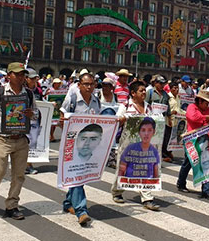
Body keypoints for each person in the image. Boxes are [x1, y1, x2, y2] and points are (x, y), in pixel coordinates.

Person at [0, 62, 36, 220]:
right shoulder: (0, 92)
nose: (20, 77)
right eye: (16, 74)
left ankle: (12, 205)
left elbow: (36, 114)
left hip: (21, 139)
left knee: (19, 175)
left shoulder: (29, 94)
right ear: (9, 75)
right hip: (2, 138)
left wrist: (32, 114)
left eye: (22, 74)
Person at [60, 73, 101, 226]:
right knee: (77, 174)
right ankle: (81, 210)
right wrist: (64, 122)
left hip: (87, 144)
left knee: (79, 175)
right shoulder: (72, 99)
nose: (89, 87)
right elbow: (62, 114)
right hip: (72, 143)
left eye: (91, 84)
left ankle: (68, 202)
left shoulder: (96, 101)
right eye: (86, 84)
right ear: (79, 85)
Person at [111, 80, 160, 211]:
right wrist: (124, 119)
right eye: (141, 90)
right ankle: (117, 191)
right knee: (123, 168)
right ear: (133, 93)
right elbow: (117, 121)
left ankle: (147, 198)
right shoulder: (126, 106)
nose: (144, 92)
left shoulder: (148, 107)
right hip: (127, 144)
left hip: (144, 145)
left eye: (144, 90)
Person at [177, 90, 209, 201]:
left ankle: (206, 190)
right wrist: (207, 118)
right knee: (189, 162)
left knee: (206, 163)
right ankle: (181, 183)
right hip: (192, 139)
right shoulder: (192, 107)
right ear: (199, 101)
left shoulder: (208, 110)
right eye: (205, 103)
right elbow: (194, 118)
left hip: (204, 139)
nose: (207, 105)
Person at [146, 75, 172, 162]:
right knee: (150, 137)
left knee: (160, 138)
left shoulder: (165, 94)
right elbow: (145, 104)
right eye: (160, 83)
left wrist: (169, 117)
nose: (162, 85)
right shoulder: (149, 92)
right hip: (151, 119)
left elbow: (167, 107)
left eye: (163, 84)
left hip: (161, 120)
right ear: (155, 83)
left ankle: (157, 155)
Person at [25, 68, 42, 175]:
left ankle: (28, 164)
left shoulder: (38, 90)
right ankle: (24, 164)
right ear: (26, 79)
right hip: (24, 121)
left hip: (35, 121)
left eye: (35, 78)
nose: (34, 80)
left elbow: (41, 103)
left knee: (32, 143)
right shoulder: (23, 90)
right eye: (31, 78)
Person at [166, 78, 185, 160]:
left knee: (173, 138)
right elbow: (166, 109)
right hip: (169, 121)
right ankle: (165, 154)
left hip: (177, 121)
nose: (176, 89)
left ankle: (169, 152)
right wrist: (170, 114)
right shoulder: (168, 97)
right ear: (170, 89)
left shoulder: (178, 97)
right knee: (167, 138)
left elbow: (179, 109)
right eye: (174, 88)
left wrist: (185, 113)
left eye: (177, 88)